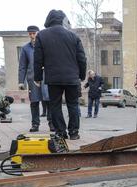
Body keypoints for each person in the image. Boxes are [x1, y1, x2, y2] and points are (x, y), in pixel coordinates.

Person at [34, 10, 87, 140]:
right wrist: (81, 75)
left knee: (55, 105)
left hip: (53, 78)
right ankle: (74, 133)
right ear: (62, 20)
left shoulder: (41, 35)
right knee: (73, 104)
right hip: (72, 77)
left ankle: (60, 132)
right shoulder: (73, 36)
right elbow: (82, 59)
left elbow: (38, 59)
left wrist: (38, 77)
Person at [18, 25, 53, 132]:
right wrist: (21, 81)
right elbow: (22, 66)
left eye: (34, 33)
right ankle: (35, 124)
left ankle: (51, 124)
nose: (32, 35)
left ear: (38, 33)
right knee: (34, 102)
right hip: (32, 79)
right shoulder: (25, 48)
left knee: (48, 101)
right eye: (30, 34)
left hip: (46, 78)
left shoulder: (46, 45)